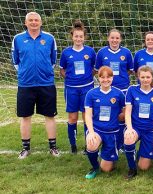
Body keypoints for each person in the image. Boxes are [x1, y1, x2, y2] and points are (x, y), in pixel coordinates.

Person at [11, 12, 59, 159]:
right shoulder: (18, 39)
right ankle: (25, 148)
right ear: (25, 23)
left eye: (36, 20)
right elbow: (15, 61)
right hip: (26, 84)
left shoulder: (49, 38)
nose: (33, 22)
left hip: (46, 83)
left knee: (49, 115)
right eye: (30, 20)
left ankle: (53, 147)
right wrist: (26, 73)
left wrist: (44, 73)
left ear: (41, 22)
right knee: (25, 116)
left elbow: (53, 60)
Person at [59, 19, 96, 154]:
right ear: (72, 37)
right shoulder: (66, 53)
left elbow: (94, 68)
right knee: (72, 118)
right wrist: (70, 78)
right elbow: (62, 69)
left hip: (87, 88)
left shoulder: (90, 51)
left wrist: (87, 77)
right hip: (71, 89)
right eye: (76, 36)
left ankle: (89, 145)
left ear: (84, 37)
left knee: (87, 117)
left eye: (81, 36)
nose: (78, 38)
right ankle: (73, 145)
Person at [123, 66, 153, 180]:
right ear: (138, 77)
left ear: (152, 77)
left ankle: (140, 154)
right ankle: (132, 169)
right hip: (136, 127)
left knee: (144, 167)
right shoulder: (132, 90)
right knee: (128, 138)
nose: (145, 79)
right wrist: (129, 128)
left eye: (148, 77)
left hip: (150, 130)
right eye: (142, 77)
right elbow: (128, 111)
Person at [84, 66, 125, 179]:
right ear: (98, 78)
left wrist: (122, 116)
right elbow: (87, 115)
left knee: (106, 169)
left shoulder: (119, 94)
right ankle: (95, 167)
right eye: (102, 77)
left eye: (108, 77)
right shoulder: (91, 94)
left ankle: (109, 158)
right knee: (91, 144)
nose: (105, 80)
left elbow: (124, 112)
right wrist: (91, 132)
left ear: (112, 78)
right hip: (97, 130)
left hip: (112, 132)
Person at [96, 29, 133, 151]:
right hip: (107, 89)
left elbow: (129, 70)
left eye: (117, 38)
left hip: (123, 89)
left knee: (122, 116)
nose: (114, 40)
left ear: (120, 39)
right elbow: (98, 71)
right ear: (108, 38)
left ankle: (121, 143)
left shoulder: (126, 52)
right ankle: (108, 141)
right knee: (110, 115)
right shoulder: (101, 53)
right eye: (112, 38)